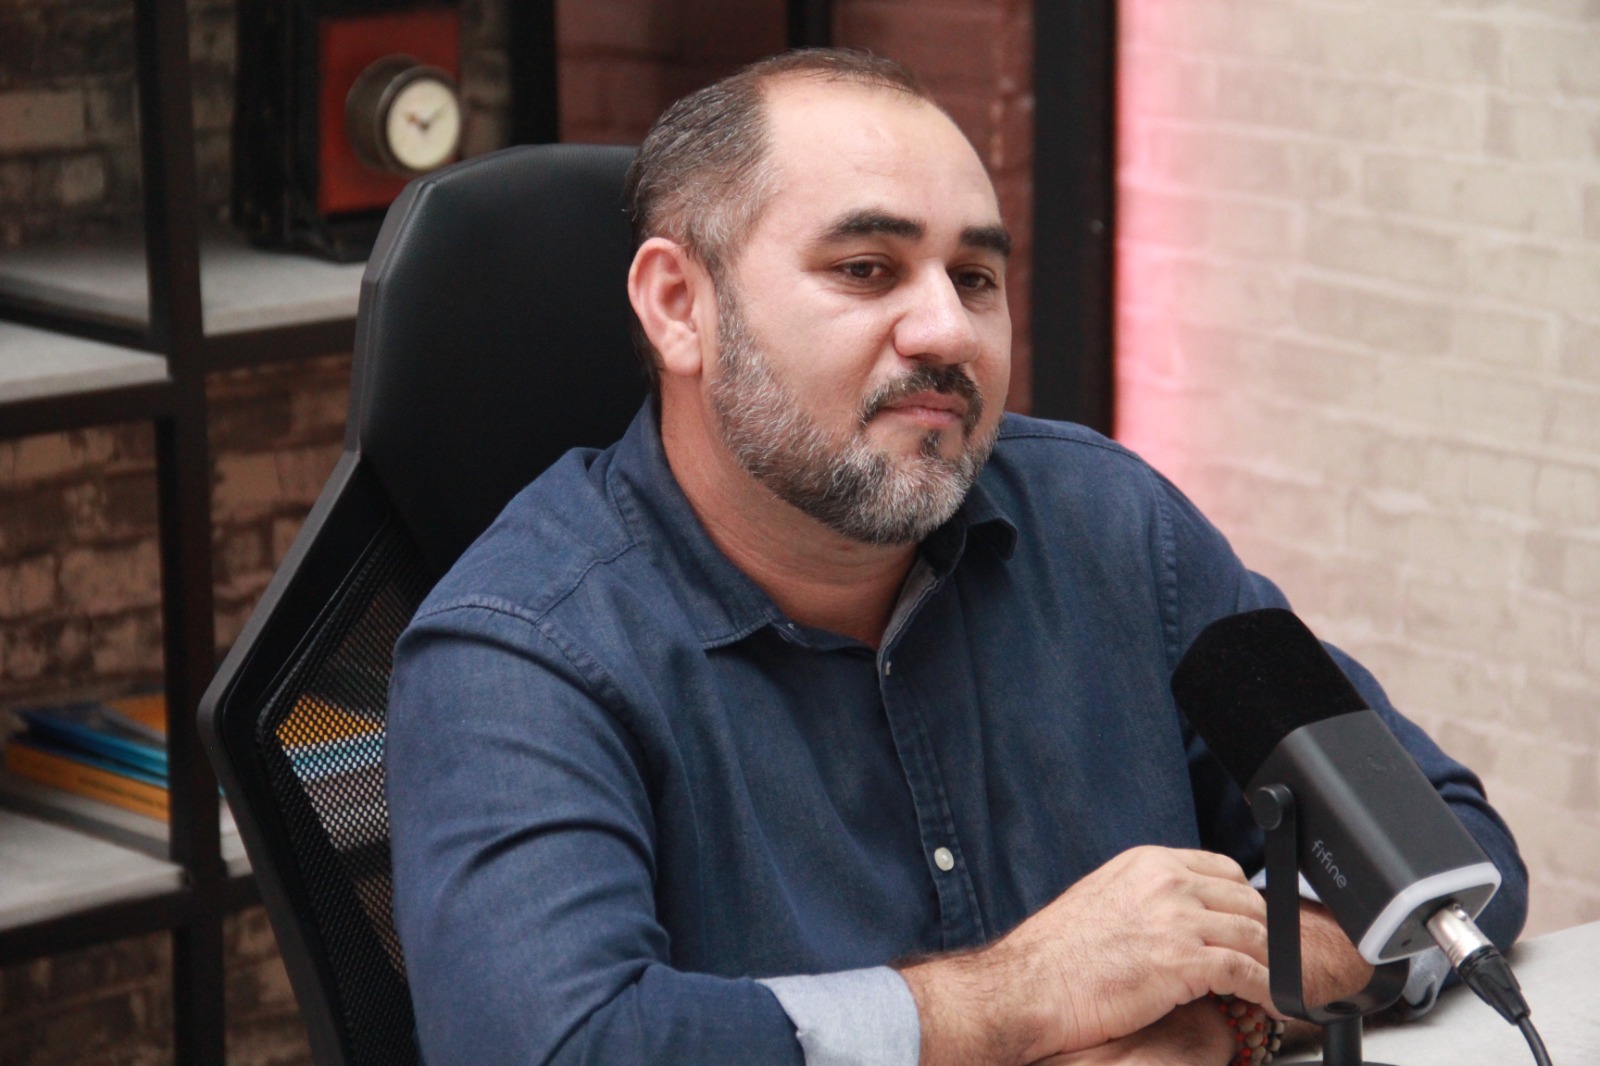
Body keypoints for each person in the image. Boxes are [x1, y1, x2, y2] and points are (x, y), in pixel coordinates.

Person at [386, 49, 1526, 1066]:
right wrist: (1022, 998)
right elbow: (558, 1046)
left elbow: (1445, 858)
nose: (945, 332)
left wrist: (1220, 1011)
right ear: (679, 305)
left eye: (974, 278)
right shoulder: (516, 653)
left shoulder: (1109, 522)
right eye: (865, 268)